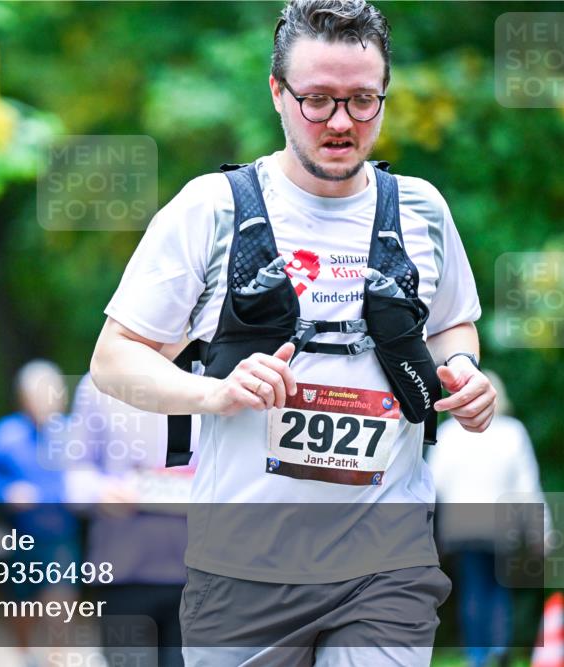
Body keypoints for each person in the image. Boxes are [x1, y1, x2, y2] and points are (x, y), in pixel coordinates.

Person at [89, 1, 497, 665]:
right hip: (243, 569)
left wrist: (465, 373)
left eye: (363, 100)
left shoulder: (422, 210)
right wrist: (214, 394)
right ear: (278, 93)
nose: (341, 122)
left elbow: (455, 326)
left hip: (385, 563)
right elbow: (113, 359)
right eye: (318, 100)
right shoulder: (210, 209)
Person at [61, 373, 195, 667]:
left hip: (200, 579)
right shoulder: (99, 383)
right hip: (123, 571)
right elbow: (74, 477)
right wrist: (101, 491)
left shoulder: (217, 371)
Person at [428, 371, 549, 667]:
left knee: (472, 587)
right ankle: (498, 648)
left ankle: (477, 655)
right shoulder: (512, 432)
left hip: (461, 523)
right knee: (498, 588)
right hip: (499, 523)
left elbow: (434, 483)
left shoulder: (448, 434)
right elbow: (526, 486)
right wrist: (542, 532)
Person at [0, 360, 81, 667]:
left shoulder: (73, 434)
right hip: (18, 535)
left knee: (61, 599)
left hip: (60, 532)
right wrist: (6, 492)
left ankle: (59, 658)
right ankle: (24, 655)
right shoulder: (4, 434)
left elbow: (90, 477)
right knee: (22, 603)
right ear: (23, 397)